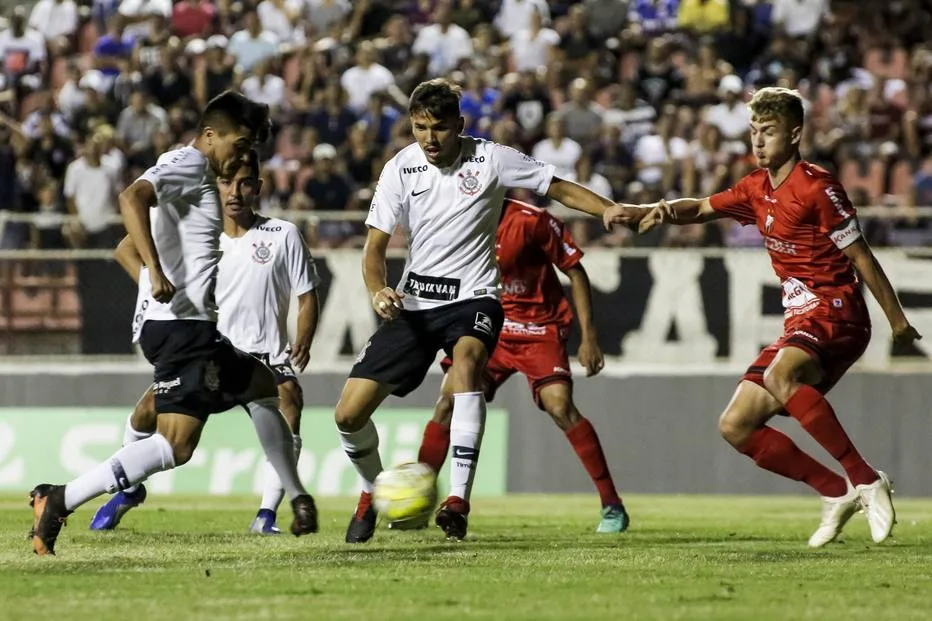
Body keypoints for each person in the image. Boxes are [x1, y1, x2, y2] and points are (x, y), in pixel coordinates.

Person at [336, 78, 633, 543]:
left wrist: (607, 209)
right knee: (348, 415)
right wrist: (378, 290)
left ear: (460, 124)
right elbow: (374, 248)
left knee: (469, 366)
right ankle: (373, 494)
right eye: (419, 128)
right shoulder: (400, 168)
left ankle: (457, 501)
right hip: (415, 302)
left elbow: (556, 186)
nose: (429, 139)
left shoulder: (491, 157)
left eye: (438, 128)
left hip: (474, 299)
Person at [28, 92, 318, 556]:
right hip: (182, 326)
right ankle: (61, 498)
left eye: (249, 150)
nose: (242, 156)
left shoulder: (182, 168)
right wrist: (156, 272)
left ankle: (292, 497)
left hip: (188, 326)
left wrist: (153, 273)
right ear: (209, 136)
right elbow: (131, 198)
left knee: (267, 387)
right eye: (239, 145)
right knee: (176, 445)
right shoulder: (191, 165)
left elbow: (149, 214)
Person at [636, 87, 921, 547]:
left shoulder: (817, 187)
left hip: (838, 312)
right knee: (735, 425)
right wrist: (661, 210)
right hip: (800, 323)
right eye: (753, 132)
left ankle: (867, 481)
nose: (758, 141)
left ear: (795, 133)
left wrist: (898, 320)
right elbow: (705, 208)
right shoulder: (755, 187)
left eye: (767, 132)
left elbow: (862, 256)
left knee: (781, 374)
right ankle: (835, 492)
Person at [90, 149, 321, 535]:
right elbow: (125, 250)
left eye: (245, 183)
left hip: (264, 354)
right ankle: (129, 490)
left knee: (289, 402)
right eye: (227, 183)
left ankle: (267, 514)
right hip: (208, 349)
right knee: (146, 413)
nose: (235, 192)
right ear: (214, 186)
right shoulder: (195, 227)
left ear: (258, 188)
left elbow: (307, 294)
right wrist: (154, 286)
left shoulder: (282, 234)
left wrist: (305, 337)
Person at [414, 198, 629, 534]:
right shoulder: (457, 217)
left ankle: (612, 505)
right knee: (447, 402)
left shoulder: (533, 221)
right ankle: (417, 502)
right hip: (490, 325)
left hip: (539, 327)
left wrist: (589, 337)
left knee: (559, 406)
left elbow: (574, 269)